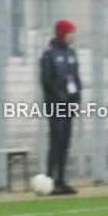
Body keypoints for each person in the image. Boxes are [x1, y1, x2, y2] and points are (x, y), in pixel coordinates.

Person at [39, 19, 81, 195]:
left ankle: (61, 180)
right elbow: (48, 81)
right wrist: (63, 99)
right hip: (56, 105)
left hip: (68, 105)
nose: (72, 36)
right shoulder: (49, 54)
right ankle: (50, 180)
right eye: (70, 32)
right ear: (62, 33)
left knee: (65, 142)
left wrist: (76, 99)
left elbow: (75, 78)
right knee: (56, 142)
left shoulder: (71, 53)